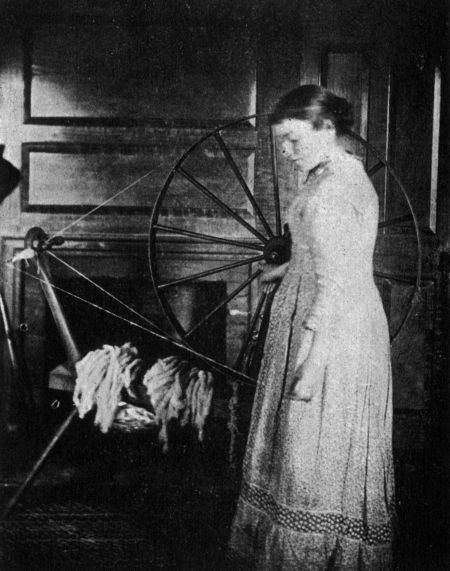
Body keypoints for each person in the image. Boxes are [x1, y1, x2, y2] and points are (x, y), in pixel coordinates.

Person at [227, 85, 395, 569]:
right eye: (281, 140)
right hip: (318, 312)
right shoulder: (330, 174)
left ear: (327, 129)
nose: (285, 151)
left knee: (313, 449)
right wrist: (287, 269)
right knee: (298, 450)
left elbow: (337, 283)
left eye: (294, 140)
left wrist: (313, 365)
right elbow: (331, 253)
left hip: (333, 333)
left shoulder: (334, 190)